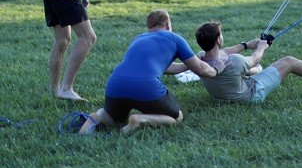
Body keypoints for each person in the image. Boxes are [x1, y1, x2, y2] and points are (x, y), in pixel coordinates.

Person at [79, 9, 219, 134]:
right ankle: (140, 120)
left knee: (116, 121)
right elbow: (201, 69)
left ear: (149, 27)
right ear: (168, 25)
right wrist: (216, 70)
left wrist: (187, 64)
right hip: (145, 87)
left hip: (115, 85)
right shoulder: (174, 38)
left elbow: (162, 67)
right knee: (176, 117)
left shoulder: (138, 39)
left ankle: (98, 116)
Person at [176, 21, 302, 104]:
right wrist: (262, 47)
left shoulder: (200, 58)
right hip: (251, 95)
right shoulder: (233, 61)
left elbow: (224, 52)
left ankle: (256, 72)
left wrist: (246, 45)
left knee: (252, 70)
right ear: (218, 40)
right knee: (289, 61)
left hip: (221, 98)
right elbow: (254, 58)